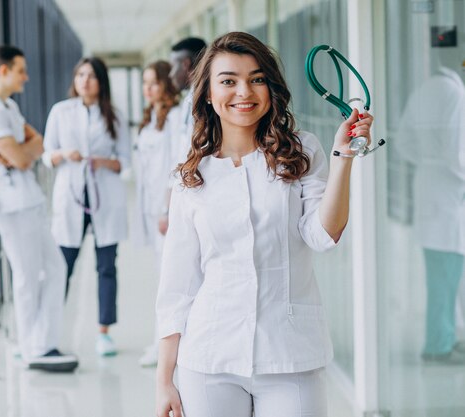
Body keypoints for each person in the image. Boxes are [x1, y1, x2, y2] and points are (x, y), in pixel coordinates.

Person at [155, 32, 374, 416]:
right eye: (228, 81)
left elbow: (324, 234)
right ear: (208, 93)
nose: (244, 91)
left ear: (271, 88)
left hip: (290, 355)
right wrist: (163, 381)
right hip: (209, 357)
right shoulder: (190, 176)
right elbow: (177, 284)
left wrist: (343, 157)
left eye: (257, 79)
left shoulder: (302, 152)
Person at [0, 45, 78, 371]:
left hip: (27, 199)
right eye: (20, 71)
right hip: (9, 203)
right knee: (28, 275)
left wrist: (21, 152)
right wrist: (20, 153)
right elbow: (18, 156)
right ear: (3, 71)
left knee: (55, 269)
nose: (26, 77)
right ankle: (34, 348)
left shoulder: (8, 106)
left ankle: (42, 342)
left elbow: (37, 143)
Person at [43, 57, 131, 357]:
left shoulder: (115, 116)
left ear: (101, 82)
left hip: (105, 197)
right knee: (63, 265)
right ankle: (48, 331)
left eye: (91, 76)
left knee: (106, 266)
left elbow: (125, 162)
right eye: (80, 74)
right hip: (71, 197)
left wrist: (102, 161)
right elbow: (47, 155)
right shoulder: (60, 111)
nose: (85, 81)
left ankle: (104, 333)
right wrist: (64, 154)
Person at [395, 64, 465, 364]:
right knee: (448, 276)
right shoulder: (456, 93)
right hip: (449, 190)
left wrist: (427, 161)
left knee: (440, 274)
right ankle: (438, 344)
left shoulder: (424, 90)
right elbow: (457, 149)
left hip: (427, 184)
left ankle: (446, 335)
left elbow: (403, 143)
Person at [133, 60, 181, 367]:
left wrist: (166, 208)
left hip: (166, 209)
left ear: (167, 84)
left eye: (154, 82)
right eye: (144, 82)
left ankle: (162, 347)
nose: (148, 88)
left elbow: (176, 165)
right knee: (162, 277)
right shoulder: (151, 118)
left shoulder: (176, 117)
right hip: (150, 209)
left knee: (169, 282)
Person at [169, 37, 207, 163]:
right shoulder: (189, 98)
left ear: (186, 64)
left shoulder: (206, 100)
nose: (171, 74)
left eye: (173, 66)